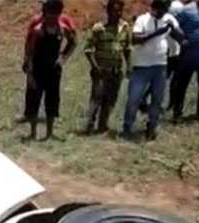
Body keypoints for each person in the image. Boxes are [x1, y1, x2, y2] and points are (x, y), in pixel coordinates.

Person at [123, 0, 185, 140]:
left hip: (160, 65)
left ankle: (152, 126)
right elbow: (135, 39)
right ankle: (127, 126)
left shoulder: (169, 19)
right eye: (161, 10)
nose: (163, 13)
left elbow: (181, 38)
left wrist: (173, 29)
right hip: (142, 65)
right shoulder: (142, 20)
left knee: (157, 99)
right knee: (134, 98)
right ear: (154, 8)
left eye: (165, 10)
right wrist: (156, 33)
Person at [23, 0, 77, 140]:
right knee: (34, 99)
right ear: (45, 13)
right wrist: (30, 74)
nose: (52, 18)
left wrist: (63, 58)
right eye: (50, 14)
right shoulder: (37, 30)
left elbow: (73, 42)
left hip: (53, 69)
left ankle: (49, 133)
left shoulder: (63, 29)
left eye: (55, 15)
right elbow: (29, 53)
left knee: (52, 99)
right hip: (38, 68)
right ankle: (33, 133)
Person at [84, 0, 132, 134]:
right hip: (101, 70)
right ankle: (89, 125)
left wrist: (129, 66)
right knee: (96, 98)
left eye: (120, 11)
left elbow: (127, 49)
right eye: (115, 11)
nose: (118, 13)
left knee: (110, 99)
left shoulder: (125, 28)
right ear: (108, 12)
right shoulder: (99, 28)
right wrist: (95, 67)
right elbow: (88, 49)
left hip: (116, 71)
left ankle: (102, 125)